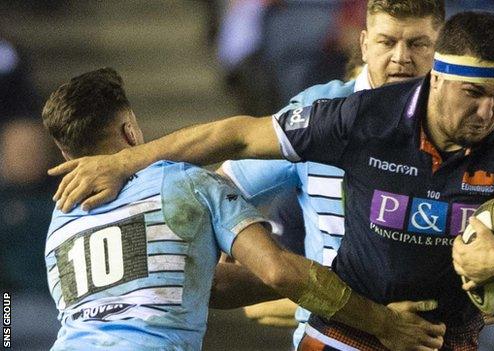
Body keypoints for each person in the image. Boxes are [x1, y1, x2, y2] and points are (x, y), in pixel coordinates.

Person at [48, 12, 494, 351]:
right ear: (439, 78)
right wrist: (352, 307)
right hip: (343, 336)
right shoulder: (355, 116)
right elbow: (242, 147)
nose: (489, 111)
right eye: (474, 94)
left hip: (442, 341)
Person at [41, 68, 447, 351]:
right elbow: (279, 272)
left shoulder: (58, 224)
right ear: (131, 131)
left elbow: (209, 285)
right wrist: (384, 322)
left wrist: (338, 290)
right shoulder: (186, 183)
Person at [219, 0, 444, 347]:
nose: (402, 57)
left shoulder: (470, 123)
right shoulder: (317, 114)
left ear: (439, 48)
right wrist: (232, 235)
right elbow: (223, 184)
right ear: (364, 44)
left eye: (417, 43)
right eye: (387, 42)